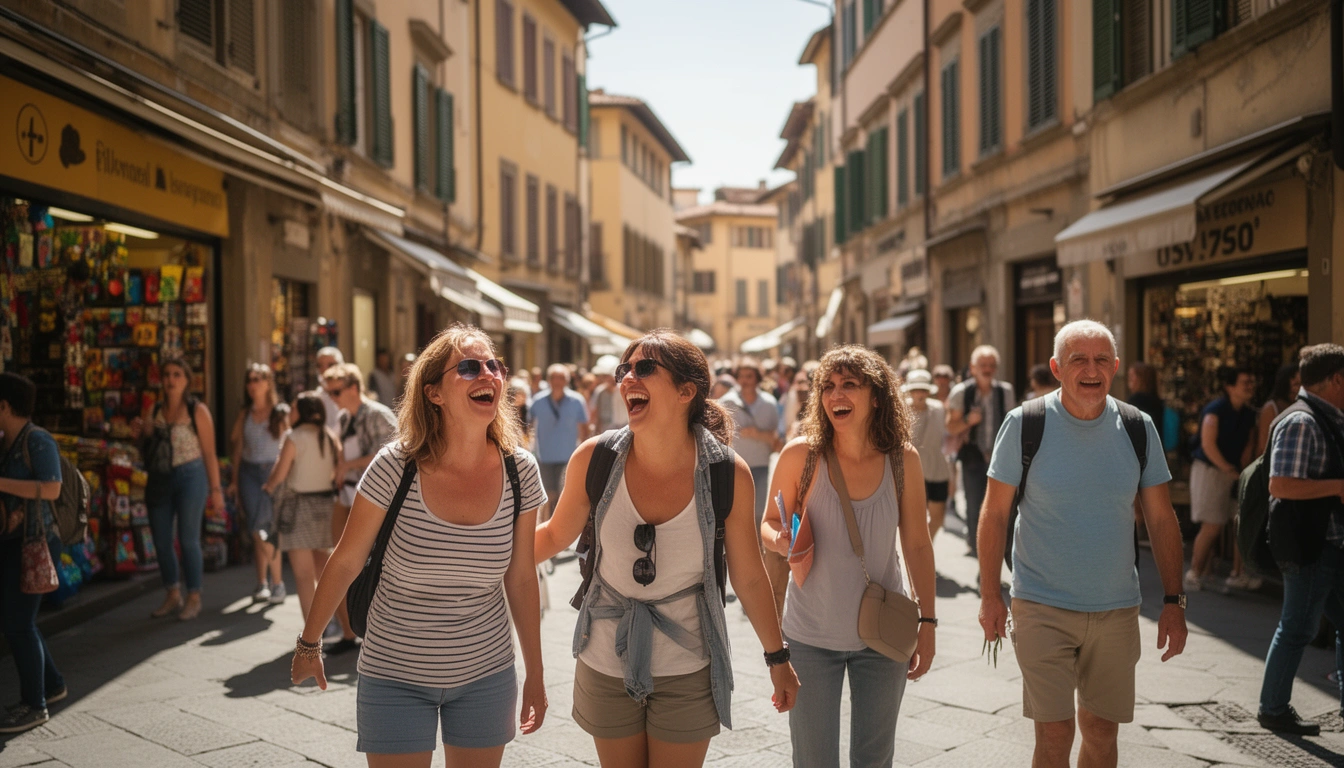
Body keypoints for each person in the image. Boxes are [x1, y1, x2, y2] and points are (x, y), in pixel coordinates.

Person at [534, 331, 798, 767]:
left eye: (644, 368)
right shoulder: (593, 459)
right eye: (625, 369)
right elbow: (549, 538)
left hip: (689, 664)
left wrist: (778, 657)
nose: (627, 378)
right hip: (605, 659)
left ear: (685, 391)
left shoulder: (726, 473)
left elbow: (749, 576)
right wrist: (471, 553)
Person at [291, 324, 547, 767]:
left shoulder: (521, 471)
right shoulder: (396, 466)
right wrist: (309, 643)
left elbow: (522, 577)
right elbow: (347, 559)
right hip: (394, 675)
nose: (487, 374)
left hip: (487, 674)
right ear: (434, 394)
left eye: (493, 365)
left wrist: (536, 674)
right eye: (469, 367)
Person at [978, 320, 1187, 768]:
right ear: (1057, 367)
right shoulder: (1024, 424)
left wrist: (1174, 600)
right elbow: (994, 514)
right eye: (1078, 359)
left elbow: (1161, 517)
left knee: (1101, 730)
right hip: (1040, 603)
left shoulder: (1137, 426)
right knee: (1054, 734)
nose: (1091, 370)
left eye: (1100, 360)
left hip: (1116, 608)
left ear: (1114, 367)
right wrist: (990, 595)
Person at [761, 345, 937, 768]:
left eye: (850, 385)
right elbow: (766, 524)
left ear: (876, 396)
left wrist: (927, 623)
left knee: (874, 760)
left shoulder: (903, 461)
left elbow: (916, 545)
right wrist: (782, 540)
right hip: (809, 638)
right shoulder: (800, 456)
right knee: (813, 760)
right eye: (828, 386)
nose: (836, 395)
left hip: (884, 636)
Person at [1256, 344, 1344, 736]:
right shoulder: (1302, 422)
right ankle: (1273, 708)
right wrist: (1338, 487)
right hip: (1310, 546)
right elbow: (1281, 484)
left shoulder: (1325, 417)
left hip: (1329, 543)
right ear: (1336, 380)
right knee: (1296, 628)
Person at [132, 358, 224, 621]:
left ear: (186, 380)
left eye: (177, 374)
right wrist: (138, 434)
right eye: (167, 375)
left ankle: (194, 595)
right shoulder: (155, 409)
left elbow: (209, 452)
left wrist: (216, 490)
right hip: (160, 478)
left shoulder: (198, 411)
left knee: (188, 539)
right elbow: (146, 449)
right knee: (161, 540)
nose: (171, 379)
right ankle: (173, 592)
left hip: (190, 476)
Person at [0, 373, 66, 733]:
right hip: (14, 542)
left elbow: (53, 488)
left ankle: (34, 705)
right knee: (18, 621)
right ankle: (52, 684)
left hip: (38, 543)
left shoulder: (37, 440)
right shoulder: (7, 442)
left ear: (4, 406)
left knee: (18, 623)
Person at [324, 362, 397, 654]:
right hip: (347, 495)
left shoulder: (378, 414)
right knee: (338, 559)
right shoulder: (343, 418)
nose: (332, 397)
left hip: (375, 501)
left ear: (354, 388)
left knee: (370, 564)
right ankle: (347, 631)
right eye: (329, 392)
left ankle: (375, 629)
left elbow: (391, 457)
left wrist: (348, 465)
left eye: (337, 391)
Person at [262, 393, 339, 624]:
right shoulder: (329, 436)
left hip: (298, 509)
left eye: (294, 407)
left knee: (304, 576)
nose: (290, 411)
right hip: (326, 507)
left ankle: (313, 633)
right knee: (323, 569)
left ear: (302, 411)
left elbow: (279, 475)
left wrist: (268, 487)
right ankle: (334, 621)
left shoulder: (293, 437)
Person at [1185, 366, 1257, 592]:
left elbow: (1248, 446)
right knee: (1212, 525)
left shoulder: (1248, 413)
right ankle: (1194, 573)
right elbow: (1207, 444)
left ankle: (1231, 572)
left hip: (1233, 472)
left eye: (1252, 382)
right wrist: (1228, 468)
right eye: (1245, 381)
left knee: (1235, 522)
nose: (1250, 387)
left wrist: (1241, 472)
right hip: (1210, 470)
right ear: (1229, 386)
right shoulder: (1215, 410)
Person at [946, 346, 1016, 557]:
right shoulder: (961, 392)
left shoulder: (1006, 391)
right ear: (973, 368)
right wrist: (969, 421)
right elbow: (950, 427)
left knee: (1005, 509)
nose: (987, 369)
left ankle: (999, 549)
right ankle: (979, 552)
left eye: (991, 365)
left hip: (1001, 458)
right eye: (983, 365)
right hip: (973, 457)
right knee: (975, 505)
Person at [228, 363, 289, 605]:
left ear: (268, 383)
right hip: (248, 473)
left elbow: (289, 448)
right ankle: (262, 583)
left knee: (266, 528)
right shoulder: (245, 413)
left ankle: (278, 584)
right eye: (249, 380)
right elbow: (237, 445)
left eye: (257, 379)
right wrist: (233, 480)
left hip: (272, 472)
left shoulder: (279, 412)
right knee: (256, 529)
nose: (252, 385)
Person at [719, 358, 780, 525]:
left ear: (757, 378)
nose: (744, 380)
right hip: (733, 466)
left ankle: (758, 547)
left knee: (759, 511)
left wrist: (758, 434)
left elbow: (777, 439)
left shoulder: (769, 403)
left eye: (749, 376)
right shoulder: (726, 402)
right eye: (741, 376)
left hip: (760, 465)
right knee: (735, 513)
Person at [530, 364, 590, 518]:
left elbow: (584, 429)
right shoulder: (537, 401)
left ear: (567, 380)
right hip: (545, 456)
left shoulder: (577, 401)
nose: (557, 381)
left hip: (569, 456)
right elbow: (528, 426)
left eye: (561, 378)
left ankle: (561, 527)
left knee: (564, 495)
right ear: (548, 380)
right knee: (547, 495)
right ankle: (545, 525)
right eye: (554, 378)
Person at [905, 369, 951, 539]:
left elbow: (947, 435)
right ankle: (917, 553)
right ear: (910, 391)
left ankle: (925, 547)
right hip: (911, 470)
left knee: (938, 517)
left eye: (923, 389)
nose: (920, 393)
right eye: (916, 389)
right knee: (913, 518)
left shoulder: (939, 409)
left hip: (937, 468)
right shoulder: (902, 411)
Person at [1126, 362, 1165, 546]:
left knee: (1137, 499)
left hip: (1136, 453)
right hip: (1154, 452)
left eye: (1132, 377)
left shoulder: (1137, 400)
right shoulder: (1157, 401)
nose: (1129, 382)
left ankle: (1138, 534)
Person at [1256, 361, 1301, 458]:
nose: (1298, 389)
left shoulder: (1300, 406)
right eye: (1296, 384)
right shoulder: (1271, 408)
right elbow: (1264, 445)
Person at [589, 355, 629, 435]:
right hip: (606, 432)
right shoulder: (600, 392)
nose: (605, 378)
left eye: (606, 375)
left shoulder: (624, 389)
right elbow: (596, 414)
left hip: (625, 431)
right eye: (603, 376)